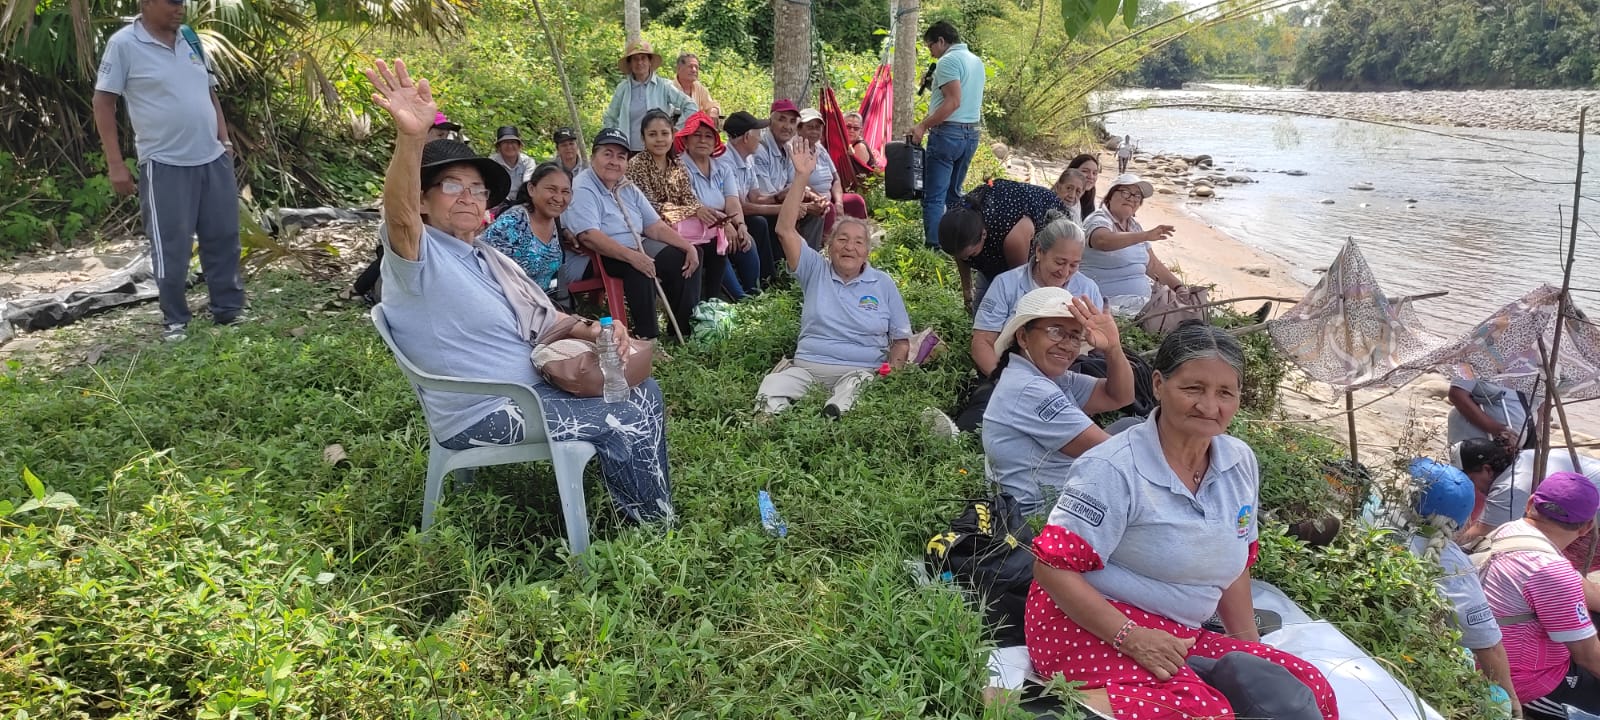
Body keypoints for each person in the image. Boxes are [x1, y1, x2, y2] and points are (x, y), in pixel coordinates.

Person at [362, 58, 672, 523]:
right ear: (423, 201)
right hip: (488, 410)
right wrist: (411, 138)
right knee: (628, 412)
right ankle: (651, 529)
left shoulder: (485, 256)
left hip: (531, 388)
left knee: (646, 391)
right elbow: (399, 215)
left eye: (477, 190)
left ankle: (643, 507)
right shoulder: (419, 256)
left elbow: (545, 318)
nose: (468, 197)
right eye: (451, 186)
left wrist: (598, 330)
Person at [1026, 322, 1339, 720]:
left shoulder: (1239, 462)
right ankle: (1035, 704)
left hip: (1177, 630)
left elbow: (1233, 568)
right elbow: (1052, 568)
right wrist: (1132, 637)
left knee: (1305, 688)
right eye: (1193, 388)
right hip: (1084, 620)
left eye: (1224, 392)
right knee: (1201, 711)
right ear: (1159, 384)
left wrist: (1251, 652)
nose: (1209, 406)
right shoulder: (1113, 467)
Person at [92, 0, 245, 342]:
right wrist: (115, 164)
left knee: (223, 237)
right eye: (172, 2)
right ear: (146, 3)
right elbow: (103, 103)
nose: (181, 8)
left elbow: (209, 93)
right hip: (165, 163)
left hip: (212, 158)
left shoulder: (190, 38)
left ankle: (229, 310)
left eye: (183, 1)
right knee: (171, 246)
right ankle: (176, 320)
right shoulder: (124, 44)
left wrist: (224, 141)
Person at [755, 139, 911, 418]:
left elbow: (901, 340)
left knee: (858, 386)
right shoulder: (815, 269)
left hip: (858, 371)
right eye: (842, 239)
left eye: (859, 242)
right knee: (771, 386)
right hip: (808, 368)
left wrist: (892, 378)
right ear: (829, 245)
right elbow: (785, 231)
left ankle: (835, 416)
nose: (850, 247)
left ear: (867, 252)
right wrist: (802, 176)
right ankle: (772, 421)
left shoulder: (883, 283)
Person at [981, 286, 1132, 516]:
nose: (1067, 345)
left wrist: (1113, 348)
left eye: (1074, 336)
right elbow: (1111, 453)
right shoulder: (1030, 389)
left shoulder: (1048, 377)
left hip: (1064, 493)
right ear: (1023, 337)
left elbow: (1119, 396)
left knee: (1130, 426)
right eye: (1055, 331)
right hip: (1048, 515)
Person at [1478, 471, 1600, 720]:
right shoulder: (1553, 572)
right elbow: (1589, 658)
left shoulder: (1512, 531)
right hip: (1527, 680)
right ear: (1587, 527)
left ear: (1531, 503)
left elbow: (1588, 593)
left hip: (1493, 648)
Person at [1399, 460, 1520, 710]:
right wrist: (1513, 701)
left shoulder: (1372, 519)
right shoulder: (1455, 566)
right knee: (1499, 699)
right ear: (1462, 521)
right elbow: (1488, 645)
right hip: (1420, 663)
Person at [565, 127, 702, 341]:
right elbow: (588, 236)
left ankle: (683, 330)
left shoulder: (626, 186)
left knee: (686, 256)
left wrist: (687, 246)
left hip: (637, 243)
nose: (614, 162)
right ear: (593, 157)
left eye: (621, 157)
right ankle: (647, 338)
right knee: (638, 267)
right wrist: (633, 257)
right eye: (607, 154)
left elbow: (654, 226)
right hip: (601, 252)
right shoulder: (584, 186)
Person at [624, 109, 734, 308]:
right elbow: (650, 208)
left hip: (677, 226)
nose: (659, 140)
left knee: (718, 242)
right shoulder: (637, 165)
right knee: (693, 253)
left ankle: (711, 304)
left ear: (673, 135)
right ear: (643, 138)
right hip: (650, 230)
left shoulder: (676, 164)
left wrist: (707, 212)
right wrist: (692, 211)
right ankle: (688, 313)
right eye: (652, 134)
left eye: (664, 133)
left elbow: (689, 198)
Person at [1455, 440, 1600, 563]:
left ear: (1487, 469)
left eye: (1470, 479)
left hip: (1590, 510)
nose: (1473, 487)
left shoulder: (1510, 486)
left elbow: (1481, 534)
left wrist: (1446, 546)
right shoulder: (1523, 457)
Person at [937, 178, 1071, 311]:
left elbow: (1019, 283)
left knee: (1014, 303)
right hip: (998, 229)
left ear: (983, 235)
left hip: (1049, 223)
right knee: (983, 306)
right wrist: (967, 291)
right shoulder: (957, 223)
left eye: (971, 254)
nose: (966, 259)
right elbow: (961, 255)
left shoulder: (1012, 237)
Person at [910, 20, 985, 250]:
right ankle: (957, 243)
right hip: (971, 133)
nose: (931, 52)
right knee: (953, 194)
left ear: (941, 41)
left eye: (931, 46)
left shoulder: (948, 61)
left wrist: (922, 126)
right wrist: (932, 84)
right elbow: (963, 95)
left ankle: (934, 246)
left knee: (934, 195)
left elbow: (953, 102)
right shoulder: (975, 61)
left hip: (948, 134)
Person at [674, 111, 761, 301]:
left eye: (708, 136)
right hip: (694, 230)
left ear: (715, 142)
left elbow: (732, 200)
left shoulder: (722, 168)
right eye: (697, 135)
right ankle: (740, 299)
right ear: (686, 140)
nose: (702, 140)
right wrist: (724, 224)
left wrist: (740, 225)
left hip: (721, 223)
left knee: (746, 240)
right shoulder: (678, 168)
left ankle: (754, 294)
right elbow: (695, 205)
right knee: (719, 244)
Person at [1079, 174, 1186, 316]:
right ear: (1110, 196)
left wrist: (1179, 287)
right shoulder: (1098, 219)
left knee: (1190, 310)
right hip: (1107, 304)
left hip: (1140, 303)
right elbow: (1102, 240)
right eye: (1125, 192)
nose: (1131, 198)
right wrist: (1145, 235)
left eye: (1137, 196)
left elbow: (1152, 265)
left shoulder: (1134, 226)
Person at [478, 162, 572, 294]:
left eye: (565, 191)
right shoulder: (513, 221)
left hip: (543, 301)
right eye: (551, 189)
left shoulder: (554, 220)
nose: (558, 198)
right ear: (531, 189)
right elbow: (479, 263)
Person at [718, 111, 782, 287]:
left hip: (737, 214)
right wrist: (781, 208)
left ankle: (777, 274)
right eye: (758, 134)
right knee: (760, 222)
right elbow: (740, 206)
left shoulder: (748, 158)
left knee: (772, 218)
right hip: (725, 218)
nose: (760, 139)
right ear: (746, 137)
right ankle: (764, 282)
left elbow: (756, 197)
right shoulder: (724, 161)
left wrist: (781, 197)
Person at [600, 40, 697, 153]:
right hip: (628, 151)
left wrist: (676, 129)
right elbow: (610, 117)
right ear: (630, 64)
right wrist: (614, 140)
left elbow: (691, 106)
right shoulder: (623, 88)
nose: (639, 62)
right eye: (635, 59)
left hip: (658, 151)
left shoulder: (664, 86)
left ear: (650, 61)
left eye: (643, 58)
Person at [752, 99, 826, 249]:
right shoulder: (760, 149)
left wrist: (814, 197)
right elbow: (766, 197)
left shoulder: (787, 148)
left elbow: (795, 182)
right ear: (770, 121)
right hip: (763, 209)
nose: (787, 126)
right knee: (807, 211)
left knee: (817, 210)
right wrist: (803, 205)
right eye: (782, 119)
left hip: (779, 203)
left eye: (792, 122)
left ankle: (808, 258)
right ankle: (794, 259)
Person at [796, 108, 868, 231]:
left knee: (856, 201)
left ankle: (859, 237)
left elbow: (836, 179)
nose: (814, 131)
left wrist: (839, 202)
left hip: (830, 197)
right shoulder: (795, 150)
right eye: (810, 127)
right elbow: (799, 182)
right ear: (799, 129)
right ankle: (831, 241)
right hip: (809, 199)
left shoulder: (821, 149)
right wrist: (820, 198)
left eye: (817, 127)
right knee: (828, 208)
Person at [1449, 378, 1532, 450]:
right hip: (1477, 442)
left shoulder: (1534, 369)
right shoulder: (1474, 365)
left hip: (1522, 446)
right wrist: (1497, 429)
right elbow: (1457, 395)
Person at [673, 52, 719, 123]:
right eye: (690, 67)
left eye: (696, 67)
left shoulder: (699, 87)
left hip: (696, 128)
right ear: (678, 69)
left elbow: (711, 104)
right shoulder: (669, 88)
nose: (694, 70)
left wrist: (713, 110)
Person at [490, 125, 537, 190]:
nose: (509, 146)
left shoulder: (528, 162)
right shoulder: (491, 163)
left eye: (513, 142)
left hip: (522, 195)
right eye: (505, 142)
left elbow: (527, 186)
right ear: (499, 147)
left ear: (519, 146)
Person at [843, 111, 878, 177]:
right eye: (848, 127)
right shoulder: (847, 145)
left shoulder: (859, 147)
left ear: (860, 131)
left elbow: (858, 175)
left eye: (856, 128)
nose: (852, 130)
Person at [1067, 153, 1101, 220]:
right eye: (1085, 171)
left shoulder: (1091, 197)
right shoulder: (1062, 196)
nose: (1091, 176)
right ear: (1072, 171)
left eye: (1094, 173)